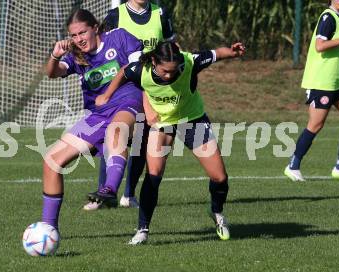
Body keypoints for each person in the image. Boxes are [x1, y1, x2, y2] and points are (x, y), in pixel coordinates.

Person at [96, 41, 245, 244]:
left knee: (219, 177)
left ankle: (216, 212)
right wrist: (106, 95)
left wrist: (233, 52)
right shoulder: (141, 69)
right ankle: (142, 230)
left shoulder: (189, 62)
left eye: (173, 72)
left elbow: (216, 53)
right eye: (165, 71)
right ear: (155, 61)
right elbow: (123, 72)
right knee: (154, 175)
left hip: (192, 119)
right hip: (162, 123)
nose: (169, 76)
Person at [41, 8, 144, 231]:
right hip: (97, 115)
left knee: (115, 132)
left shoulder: (119, 37)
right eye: (74, 35)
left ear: (95, 27)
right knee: (51, 160)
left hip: (129, 102)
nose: (79, 39)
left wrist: (108, 94)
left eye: (82, 33)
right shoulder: (78, 56)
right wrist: (55, 55)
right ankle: (48, 229)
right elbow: (52, 73)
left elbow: (137, 69)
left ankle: (109, 189)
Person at [83, 0, 176, 211]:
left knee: (143, 142)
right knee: (114, 137)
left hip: (153, 86)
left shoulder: (159, 12)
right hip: (123, 86)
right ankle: (103, 193)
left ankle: (129, 195)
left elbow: (171, 46)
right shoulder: (116, 15)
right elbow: (101, 48)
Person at [284, 0, 339, 182]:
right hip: (322, 82)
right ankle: (293, 165)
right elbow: (319, 46)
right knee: (315, 125)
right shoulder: (328, 17)